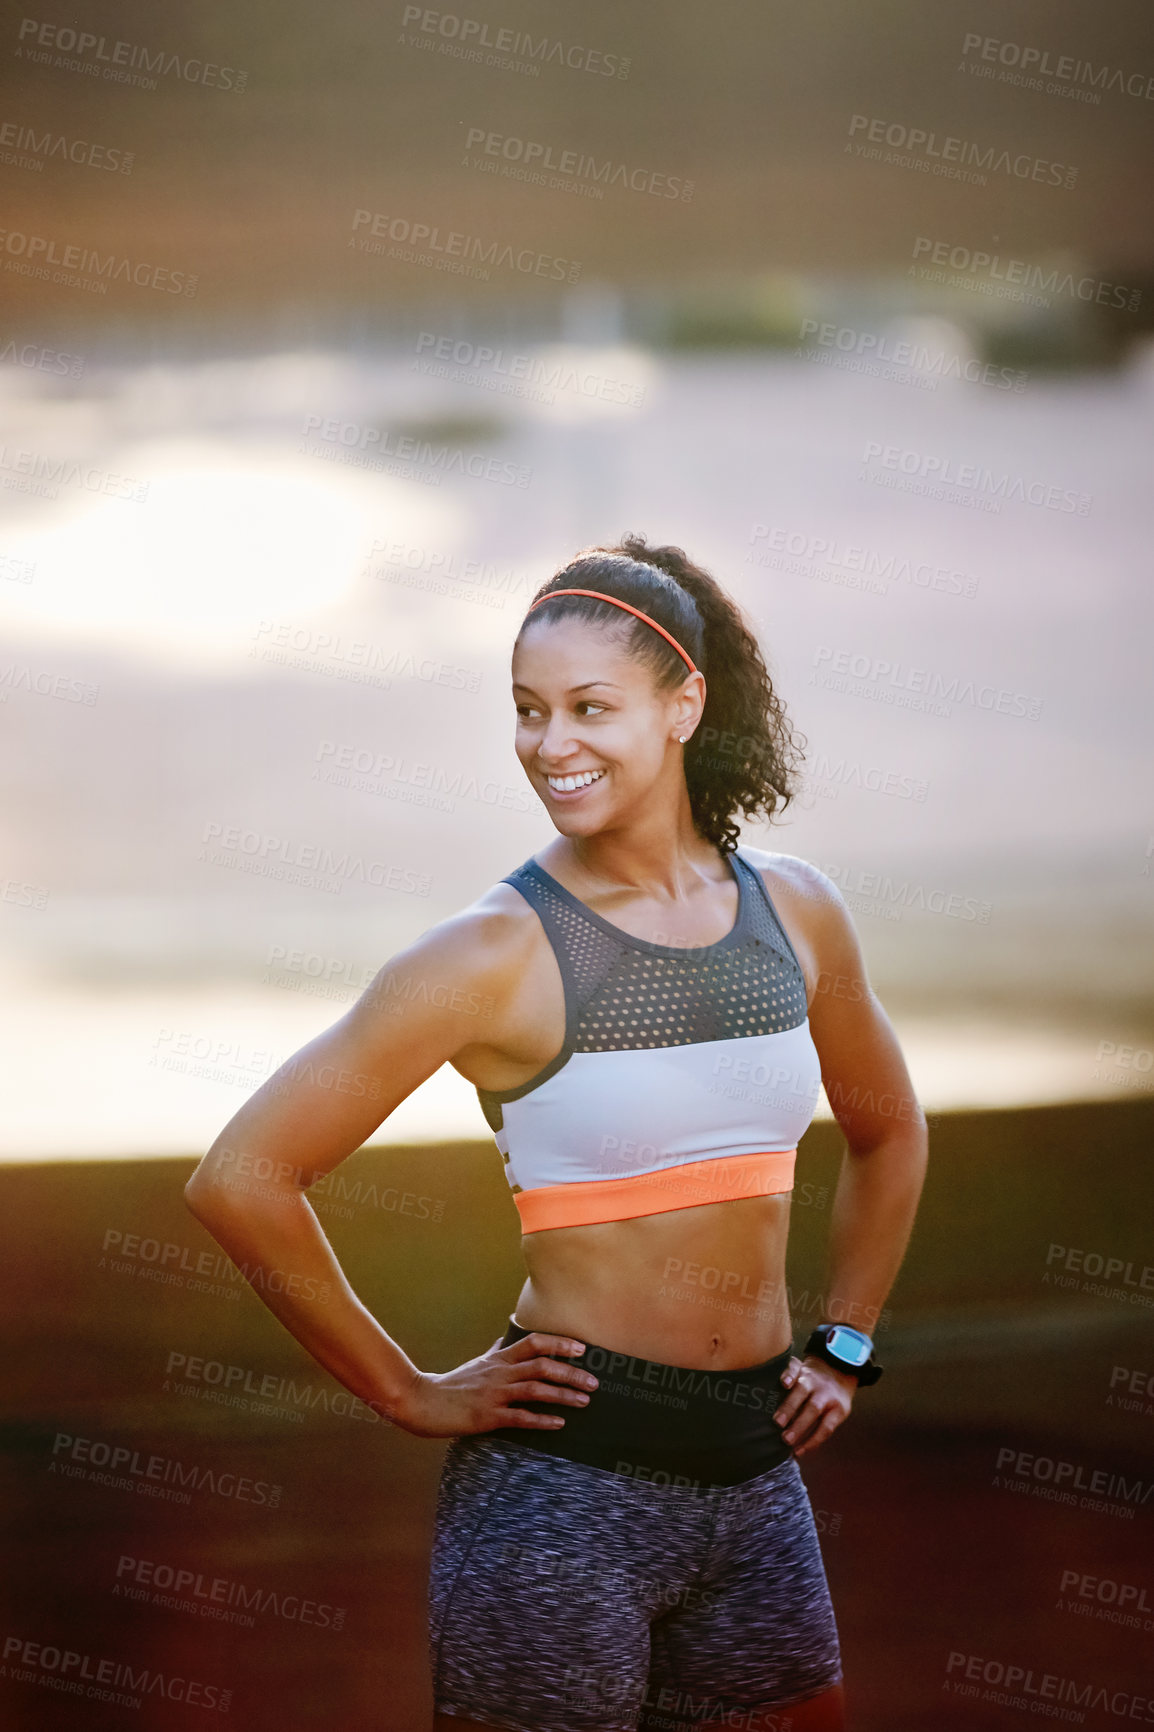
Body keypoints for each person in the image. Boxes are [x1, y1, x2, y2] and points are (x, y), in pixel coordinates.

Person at [185, 534, 928, 1732]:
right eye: (526, 711)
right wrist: (407, 1392)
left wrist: (842, 1342)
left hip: (754, 1475)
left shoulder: (796, 913)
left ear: (684, 703)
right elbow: (242, 1176)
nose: (549, 744)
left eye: (590, 707)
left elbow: (888, 1134)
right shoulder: (488, 954)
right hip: (560, 1491)